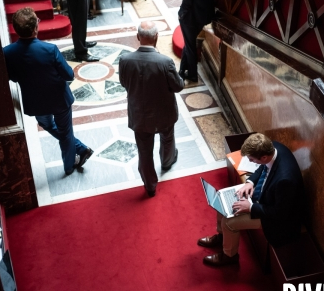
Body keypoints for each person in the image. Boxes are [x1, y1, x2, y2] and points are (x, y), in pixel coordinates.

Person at [3, 7, 94, 176]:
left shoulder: (7, 53)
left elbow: (13, 77)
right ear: (35, 28)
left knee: (46, 124)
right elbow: (69, 75)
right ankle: (72, 161)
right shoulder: (50, 50)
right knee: (65, 133)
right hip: (60, 99)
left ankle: (79, 150)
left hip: (36, 102)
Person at [198, 133, 305, 266]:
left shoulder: (285, 180)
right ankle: (222, 237)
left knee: (229, 222)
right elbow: (262, 167)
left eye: (252, 159)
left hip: (275, 220)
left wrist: (251, 207)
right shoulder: (273, 147)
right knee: (221, 200)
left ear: (264, 157)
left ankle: (230, 256)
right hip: (263, 196)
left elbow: (280, 214)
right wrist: (250, 182)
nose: (250, 162)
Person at [118, 21, 184, 197]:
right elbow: (178, 86)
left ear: (138, 37)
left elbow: (124, 83)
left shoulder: (125, 60)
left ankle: (150, 186)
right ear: (156, 37)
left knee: (144, 151)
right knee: (167, 138)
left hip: (139, 115)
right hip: (164, 114)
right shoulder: (165, 62)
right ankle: (167, 162)